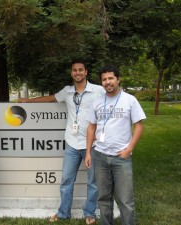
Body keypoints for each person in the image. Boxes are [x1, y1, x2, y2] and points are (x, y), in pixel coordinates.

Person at [18, 59, 104, 224]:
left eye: (80, 70)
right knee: (66, 181)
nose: (77, 73)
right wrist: (29, 101)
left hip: (91, 145)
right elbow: (51, 98)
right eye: (74, 70)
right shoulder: (67, 91)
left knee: (93, 182)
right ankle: (63, 213)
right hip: (72, 144)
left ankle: (90, 213)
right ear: (71, 73)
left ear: (86, 72)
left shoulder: (98, 90)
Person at [85, 64, 146, 225]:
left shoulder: (129, 100)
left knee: (125, 200)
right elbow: (91, 127)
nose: (107, 82)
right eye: (104, 79)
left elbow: (139, 125)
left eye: (111, 78)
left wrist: (129, 149)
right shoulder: (98, 102)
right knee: (103, 198)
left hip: (121, 157)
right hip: (101, 156)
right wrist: (89, 153)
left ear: (118, 79)